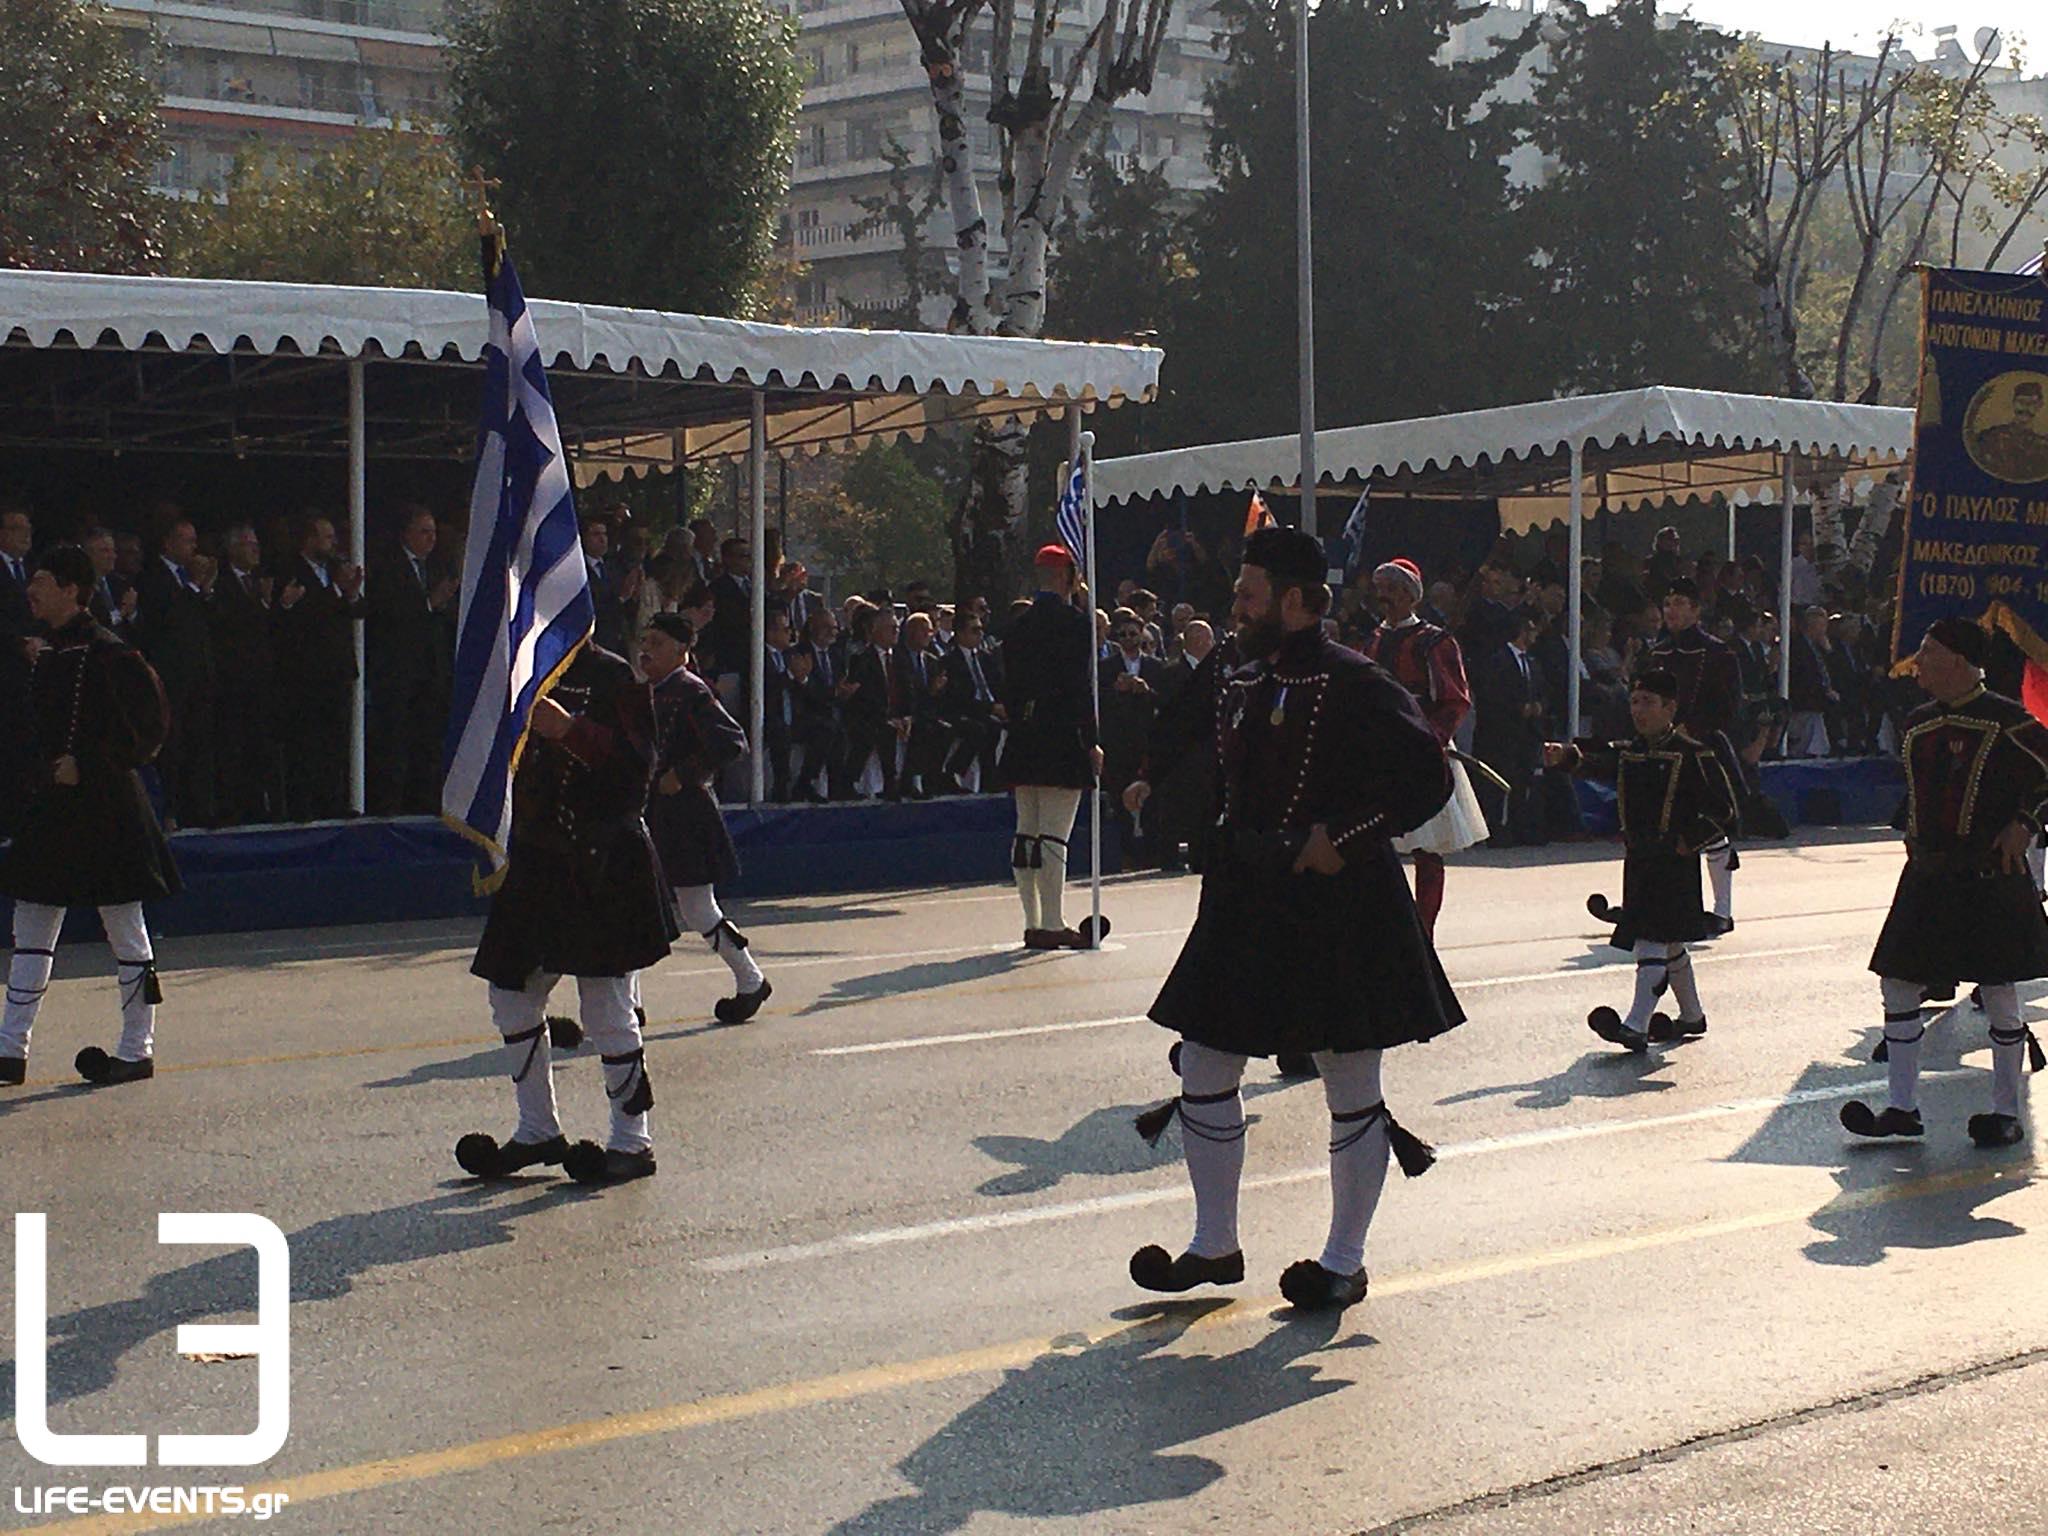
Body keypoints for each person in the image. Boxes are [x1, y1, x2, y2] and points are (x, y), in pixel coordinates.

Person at [1129, 525, 1462, 1313]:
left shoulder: (1356, 681)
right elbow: (1180, 725)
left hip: (1339, 902)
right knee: (1206, 1062)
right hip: (1247, 891)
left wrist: (1339, 839)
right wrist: (1152, 783)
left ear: (1290, 600)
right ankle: (1215, 1246)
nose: (1234, 608)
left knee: (1349, 1080)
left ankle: (1343, 1261)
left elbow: (1426, 780)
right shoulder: (1237, 671)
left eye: (1247, 596)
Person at [458, 642, 680, 1185]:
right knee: (511, 993)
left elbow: (638, 771)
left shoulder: (614, 678)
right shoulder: (514, 673)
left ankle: (632, 1141)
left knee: (605, 1003)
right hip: (537, 859)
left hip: (600, 858)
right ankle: (538, 1130)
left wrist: (570, 731)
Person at [1843, 619, 2048, 1149]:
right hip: (1930, 877)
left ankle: (2006, 1111)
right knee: (1898, 982)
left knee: (2000, 991)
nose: (1918, 662)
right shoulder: (1917, 724)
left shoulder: (2010, 722)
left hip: (1990, 876)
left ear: (1958, 660)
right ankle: (1902, 1109)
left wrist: (2025, 822)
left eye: (1928, 652)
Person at [0, 544, 180, 1088]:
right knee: (30, 923)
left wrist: (91, 764)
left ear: (73, 589)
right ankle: (10, 1047)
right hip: (52, 810)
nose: (32, 589)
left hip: (106, 809)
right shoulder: (45, 651)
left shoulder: (111, 654)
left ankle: (136, 1047)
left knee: (125, 928)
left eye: (44, 580)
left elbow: (149, 729)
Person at [1547, 669, 1738, 1054]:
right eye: (1634, 701)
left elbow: (1725, 809)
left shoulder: (1692, 752)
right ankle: (1692, 1014)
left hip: (1673, 862)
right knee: (1666, 943)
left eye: (1648, 702)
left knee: (1651, 941)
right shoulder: (1630, 751)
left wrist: (1688, 843)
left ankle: (1635, 1023)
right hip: (1639, 860)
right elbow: (1599, 762)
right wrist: (1567, 757)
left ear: (1670, 707)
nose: (1638, 710)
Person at [634, 614, 773, 1023]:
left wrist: (684, 774)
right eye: (645, 641)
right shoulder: (647, 693)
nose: (647, 649)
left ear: (681, 652)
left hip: (686, 816)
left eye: (657, 643)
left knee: (697, 907)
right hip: (651, 813)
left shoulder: (690, 691)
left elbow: (732, 743)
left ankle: (750, 979)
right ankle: (628, 1003)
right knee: (638, 905)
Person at [1360, 558, 1485, 941]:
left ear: (1411, 596)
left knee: (1427, 851)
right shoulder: (1372, 641)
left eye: (1395, 591)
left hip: (1423, 752)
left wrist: (1426, 739)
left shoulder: (1435, 641)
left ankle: (1423, 934)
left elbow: (1454, 700)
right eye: (1382, 591)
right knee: (1372, 846)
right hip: (1380, 754)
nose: (1387, 600)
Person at [994, 545, 1107, 950]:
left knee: (1027, 831)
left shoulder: (1018, 624)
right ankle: (1053, 921)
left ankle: (1032, 920)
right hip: (1060, 733)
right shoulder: (1076, 625)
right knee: (1055, 834)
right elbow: (1080, 688)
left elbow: (1004, 684)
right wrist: (1090, 740)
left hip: (1025, 731)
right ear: (1068, 577)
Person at [1645, 577, 1744, 934]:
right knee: (1661, 831)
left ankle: (1722, 910)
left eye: (1680, 603)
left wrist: (1693, 729)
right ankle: (1661, 904)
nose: (1671, 610)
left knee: (1711, 830)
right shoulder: (1657, 653)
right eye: (1667, 603)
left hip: (1703, 752)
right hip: (1663, 752)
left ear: (1696, 610)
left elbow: (1729, 707)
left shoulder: (1718, 654)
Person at [367, 506, 457, 816]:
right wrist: (429, 604)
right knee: (396, 745)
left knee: (428, 745)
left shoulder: (434, 567)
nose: (430, 539)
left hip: (430, 671)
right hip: (398, 671)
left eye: (433, 532)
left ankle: (426, 804)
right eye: (423, 532)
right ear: (406, 534)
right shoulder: (388, 567)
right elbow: (387, 613)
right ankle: (392, 807)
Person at [273, 513, 364, 820]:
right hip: (306, 673)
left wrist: (349, 593)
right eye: (326, 537)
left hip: (336, 670)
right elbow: (306, 616)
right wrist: (336, 592)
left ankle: (334, 801)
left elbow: (355, 609)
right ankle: (304, 806)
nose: (332, 543)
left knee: (335, 741)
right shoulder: (291, 570)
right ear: (309, 539)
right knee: (307, 742)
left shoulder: (333, 571)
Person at [134, 510, 219, 829]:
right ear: (168, 543)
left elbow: (206, 623)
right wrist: (194, 587)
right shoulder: (153, 577)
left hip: (198, 675)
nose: (193, 549)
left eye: (195, 541)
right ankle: (171, 810)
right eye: (187, 541)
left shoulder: (190, 580)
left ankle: (200, 808)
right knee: (173, 748)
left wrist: (205, 590)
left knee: (200, 746)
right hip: (171, 677)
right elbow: (168, 621)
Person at [209, 522, 281, 825]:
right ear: (233, 548)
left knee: (259, 746)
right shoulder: (221, 583)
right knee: (233, 747)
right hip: (231, 682)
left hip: (259, 682)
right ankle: (231, 807)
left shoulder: (258, 583)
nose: (256, 549)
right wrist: (261, 604)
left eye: (257, 543)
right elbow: (227, 626)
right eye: (249, 544)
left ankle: (257, 804)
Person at [1471, 610, 1549, 846]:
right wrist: (1517, 708)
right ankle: (1497, 828)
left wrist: (1538, 707)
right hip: (1502, 734)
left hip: (1527, 734)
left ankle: (1520, 827)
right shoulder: (1498, 660)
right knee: (1499, 784)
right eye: (1531, 629)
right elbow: (1491, 695)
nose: (1534, 634)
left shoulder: (1532, 662)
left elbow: (1544, 691)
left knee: (1523, 782)